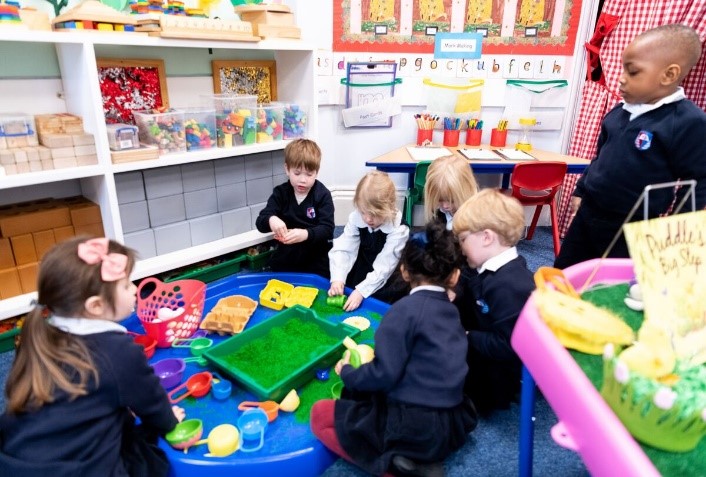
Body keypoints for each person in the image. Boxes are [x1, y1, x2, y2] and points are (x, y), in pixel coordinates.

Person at [0, 237, 185, 477]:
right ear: (96, 306)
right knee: (147, 458)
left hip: (16, 458)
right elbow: (151, 401)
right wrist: (170, 421)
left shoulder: (41, 334)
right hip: (79, 469)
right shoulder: (118, 351)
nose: (134, 289)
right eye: (127, 284)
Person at [311, 220, 477, 477]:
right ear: (454, 276)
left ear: (405, 272)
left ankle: (395, 467)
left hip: (412, 426)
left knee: (320, 415)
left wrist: (348, 373)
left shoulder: (401, 313)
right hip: (450, 423)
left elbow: (383, 375)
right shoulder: (452, 313)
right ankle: (419, 458)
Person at [555, 24, 706, 269]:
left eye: (633, 72)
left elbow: (698, 180)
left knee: (615, 288)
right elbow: (600, 157)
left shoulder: (688, 122)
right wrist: (581, 191)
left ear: (668, 75)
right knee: (564, 274)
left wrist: (676, 230)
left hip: (634, 226)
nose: (621, 78)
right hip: (588, 214)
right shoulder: (619, 111)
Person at [452, 189, 535, 415]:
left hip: (504, 367)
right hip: (489, 336)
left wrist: (468, 337)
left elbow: (511, 346)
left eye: (463, 240)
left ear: (487, 237)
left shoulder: (509, 287)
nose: (461, 248)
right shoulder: (493, 270)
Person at [328, 171, 410, 311]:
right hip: (365, 263)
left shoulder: (399, 230)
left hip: (389, 273)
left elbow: (385, 266)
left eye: (374, 215)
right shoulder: (357, 217)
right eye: (363, 212)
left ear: (389, 208)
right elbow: (344, 247)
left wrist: (361, 292)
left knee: (381, 302)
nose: (367, 219)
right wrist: (338, 278)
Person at [255, 138, 335, 278]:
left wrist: (306, 234)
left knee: (320, 281)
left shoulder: (322, 195)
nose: (302, 180)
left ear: (316, 172)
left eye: (309, 174)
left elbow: (327, 229)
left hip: (315, 255)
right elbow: (261, 222)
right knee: (278, 279)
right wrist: (272, 219)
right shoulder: (280, 193)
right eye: (297, 173)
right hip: (287, 254)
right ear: (287, 169)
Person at [424, 155, 479, 230]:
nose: (445, 206)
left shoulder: (476, 219)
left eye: (452, 201)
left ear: (467, 191)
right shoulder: (438, 213)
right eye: (439, 200)